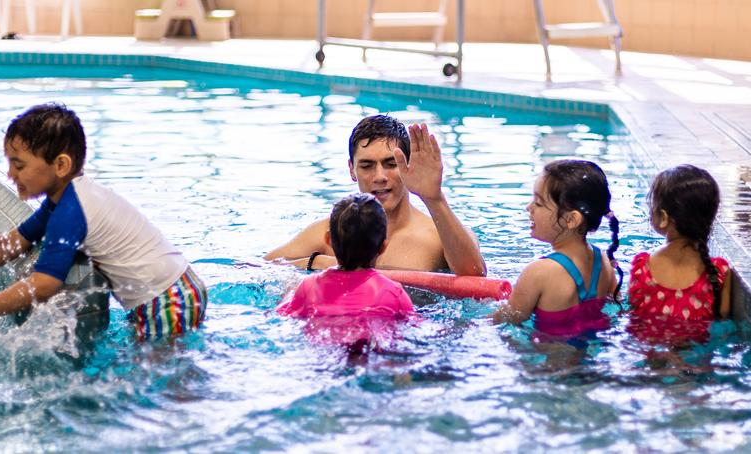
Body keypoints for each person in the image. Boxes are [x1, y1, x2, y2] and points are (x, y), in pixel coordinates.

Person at [0, 103, 206, 341]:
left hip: (168, 299)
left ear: (60, 165)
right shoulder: (66, 200)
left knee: (167, 384)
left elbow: (45, 283)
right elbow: (16, 240)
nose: (10, 174)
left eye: (19, 165)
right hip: (172, 290)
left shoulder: (71, 210)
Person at [264, 115, 485, 277]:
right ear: (352, 169)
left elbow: (475, 275)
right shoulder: (332, 231)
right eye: (367, 165)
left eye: (391, 164)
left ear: (407, 166)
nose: (379, 177)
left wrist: (434, 199)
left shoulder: (438, 235)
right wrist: (316, 262)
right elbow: (259, 268)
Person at [492, 160, 620, 338]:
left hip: (548, 361)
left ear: (571, 219)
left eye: (538, 203)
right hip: (591, 354)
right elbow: (617, 306)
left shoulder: (539, 272)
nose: (528, 208)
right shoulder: (605, 263)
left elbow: (506, 319)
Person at [277, 193, 415, 348]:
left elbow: (282, 315)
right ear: (383, 246)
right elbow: (414, 325)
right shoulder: (392, 292)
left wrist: (288, 292)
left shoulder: (308, 287)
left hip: (323, 351)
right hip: (372, 350)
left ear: (328, 240)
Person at [627, 165, 731, 345]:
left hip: (650, 356)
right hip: (696, 361)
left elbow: (633, 311)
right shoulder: (719, 271)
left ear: (664, 217)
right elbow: (723, 317)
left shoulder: (642, 266)